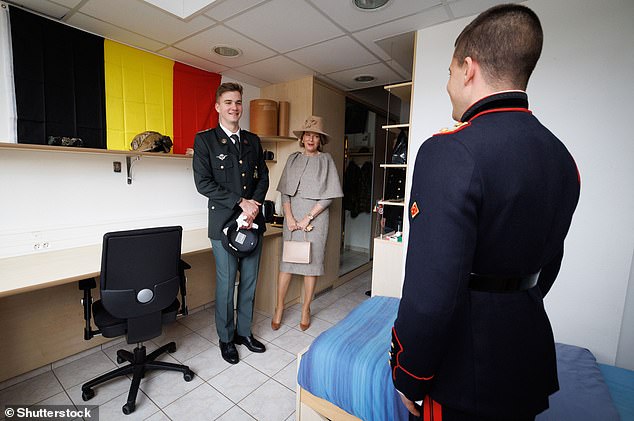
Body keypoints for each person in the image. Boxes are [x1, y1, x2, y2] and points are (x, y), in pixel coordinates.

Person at [389, 4, 580, 420]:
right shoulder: (563, 159)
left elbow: (432, 290)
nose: (448, 85)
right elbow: (549, 265)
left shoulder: (450, 152)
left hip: (465, 371)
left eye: (449, 72)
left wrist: (409, 373)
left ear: (468, 69)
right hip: (526, 354)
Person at [193, 82, 269, 364]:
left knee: (249, 281)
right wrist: (241, 202)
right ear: (217, 107)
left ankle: (244, 333)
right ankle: (226, 339)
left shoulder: (253, 140)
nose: (234, 107)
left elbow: (263, 178)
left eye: (237, 102)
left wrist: (254, 207)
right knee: (226, 285)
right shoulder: (205, 141)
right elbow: (203, 183)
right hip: (223, 224)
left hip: (252, 222)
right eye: (228, 102)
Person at [272, 116, 343, 331]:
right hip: (292, 219)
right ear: (302, 138)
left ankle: (305, 309)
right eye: (307, 135)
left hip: (316, 219)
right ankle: (279, 308)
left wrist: (307, 218)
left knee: (311, 266)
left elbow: (329, 196)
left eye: (315, 136)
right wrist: (291, 218)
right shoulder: (292, 158)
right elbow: (285, 192)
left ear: (320, 140)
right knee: (287, 265)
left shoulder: (326, 160)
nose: (311, 139)